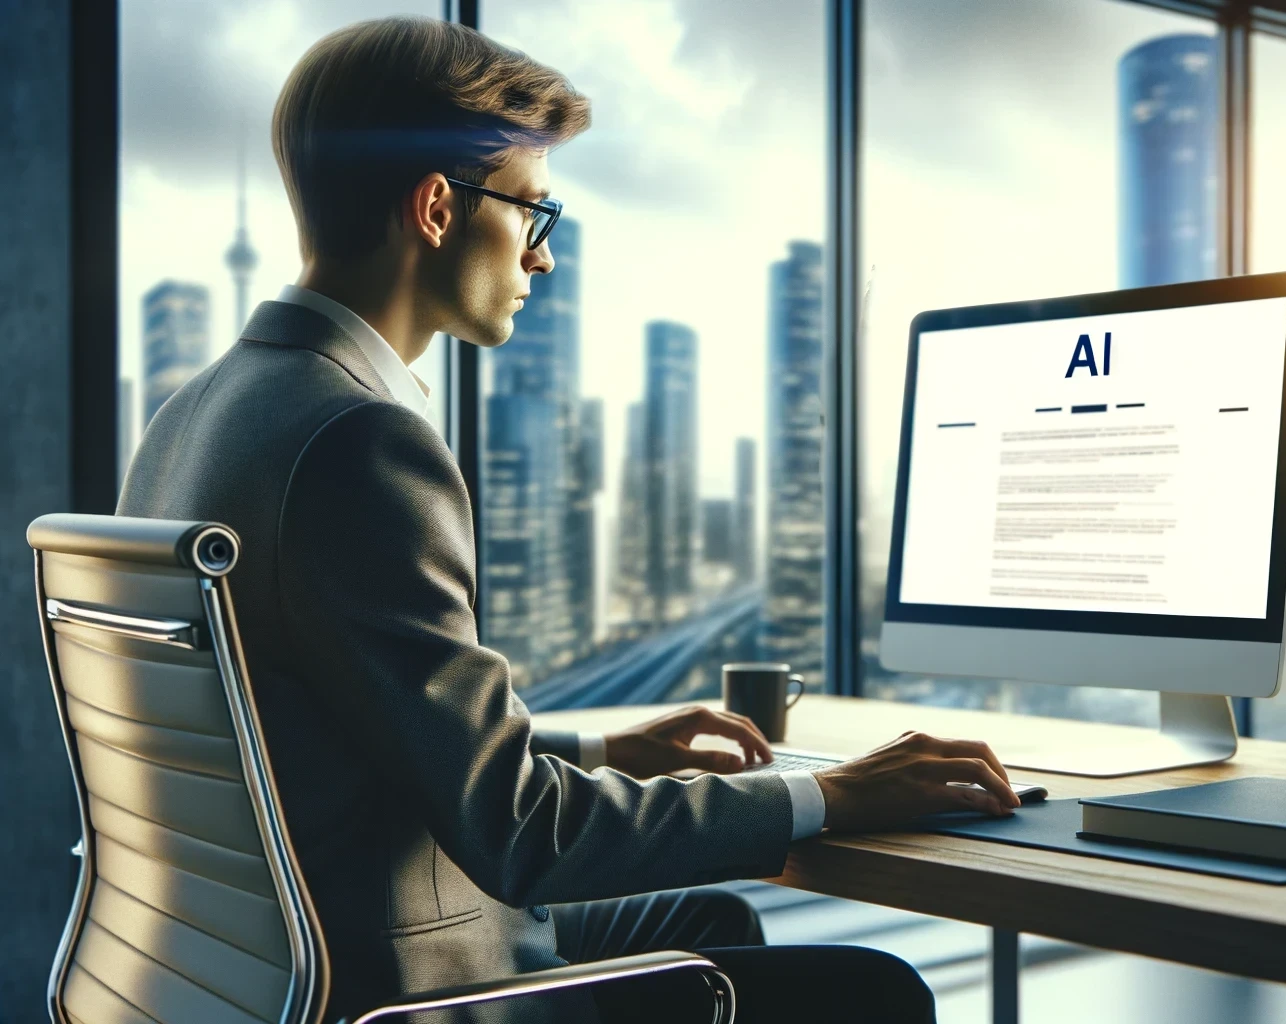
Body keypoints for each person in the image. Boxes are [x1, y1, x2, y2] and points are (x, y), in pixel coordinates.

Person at [117, 16, 1017, 1024]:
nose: (542, 259)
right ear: (436, 209)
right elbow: (521, 837)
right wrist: (834, 795)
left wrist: (599, 751)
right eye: (533, 215)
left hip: (243, 977)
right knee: (874, 993)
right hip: (397, 984)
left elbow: (327, 729)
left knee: (711, 921)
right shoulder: (359, 442)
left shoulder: (192, 417)